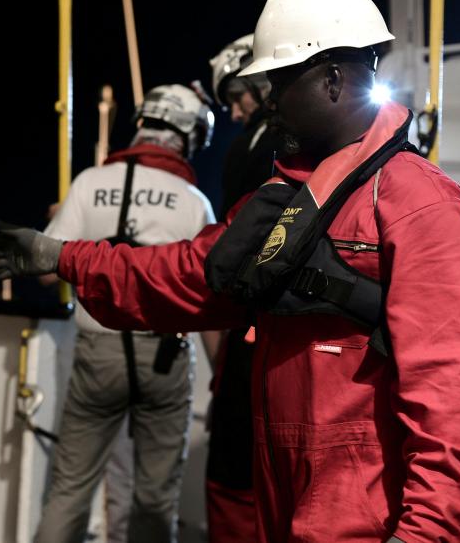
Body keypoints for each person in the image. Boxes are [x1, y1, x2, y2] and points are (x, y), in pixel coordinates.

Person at [0, 0, 460, 542]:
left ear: (334, 79)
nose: (268, 100)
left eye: (280, 81)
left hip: (370, 516)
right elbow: (184, 273)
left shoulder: (420, 203)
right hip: (288, 500)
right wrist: (60, 255)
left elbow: (450, 386)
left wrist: (425, 533)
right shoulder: (287, 202)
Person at [34, 84, 220, 543]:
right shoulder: (194, 203)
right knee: (156, 498)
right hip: (166, 357)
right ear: (188, 136)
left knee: (70, 488)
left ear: (142, 123)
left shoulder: (90, 183)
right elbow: (210, 299)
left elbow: (43, 269)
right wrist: (223, 379)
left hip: (97, 352)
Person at [202, 34, 277, 542]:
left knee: (233, 473)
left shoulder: (255, 145)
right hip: (279, 335)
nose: (232, 113)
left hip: (254, 333)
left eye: (235, 97)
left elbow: (226, 253)